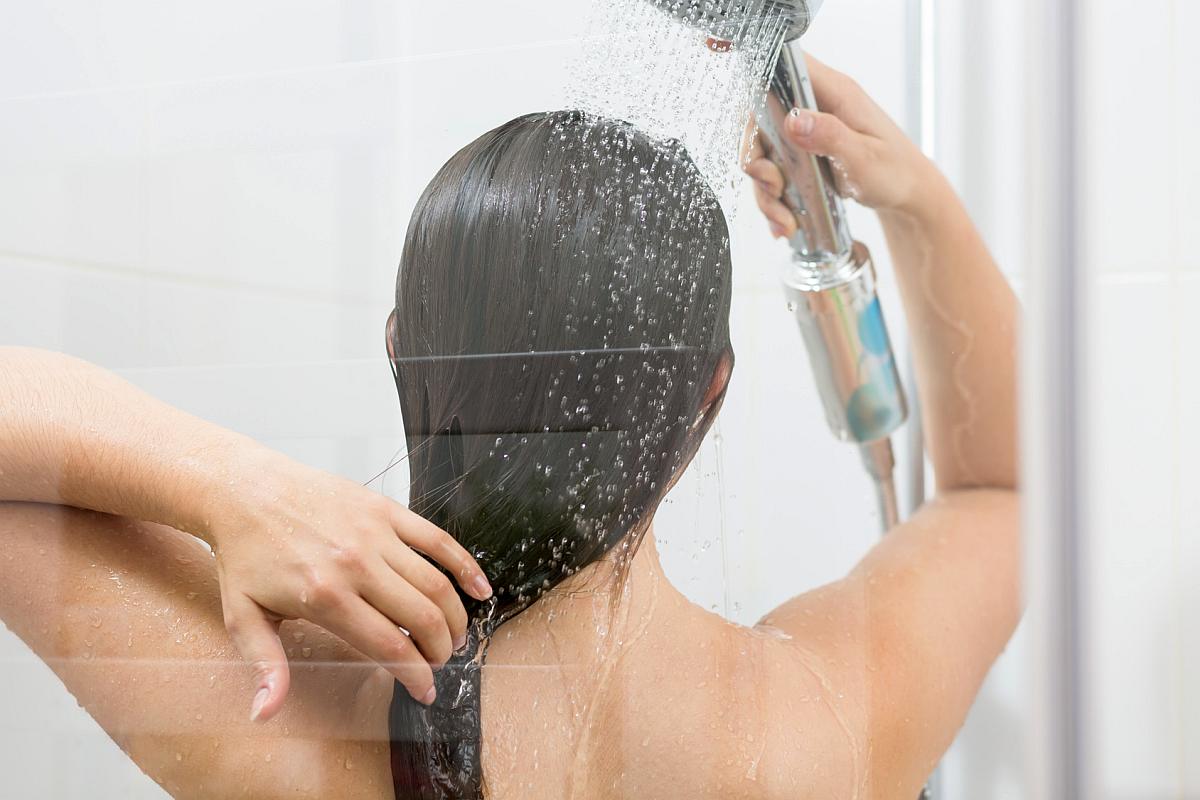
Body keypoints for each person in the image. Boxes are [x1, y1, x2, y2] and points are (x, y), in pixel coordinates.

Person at [0, 55, 1017, 799]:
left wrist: (234, 488)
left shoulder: (284, 724)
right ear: (710, 389)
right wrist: (917, 202)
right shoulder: (817, 730)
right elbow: (999, 491)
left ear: (401, 350)